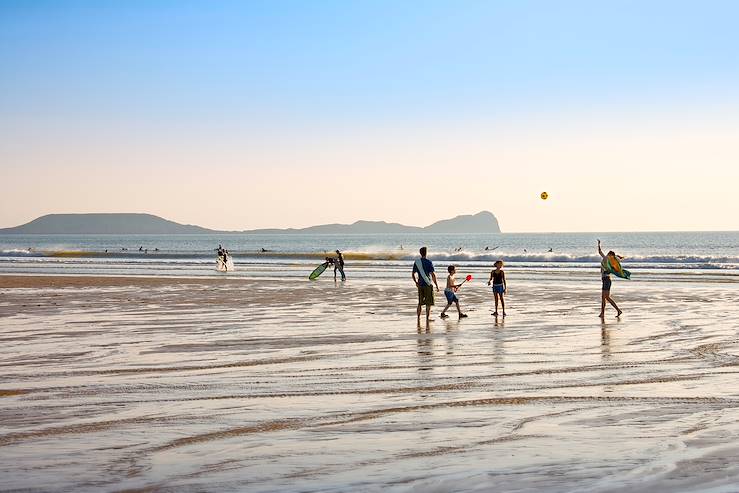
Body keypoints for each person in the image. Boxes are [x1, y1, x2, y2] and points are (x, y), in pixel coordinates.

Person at [412, 246, 439, 328]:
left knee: (420, 303)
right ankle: (427, 318)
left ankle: (418, 318)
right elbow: (433, 275)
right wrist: (436, 285)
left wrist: (416, 282)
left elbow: (413, 274)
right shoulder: (429, 262)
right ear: (426, 253)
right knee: (428, 303)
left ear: (420, 253)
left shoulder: (417, 262)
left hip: (420, 284)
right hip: (427, 284)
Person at [598, 239, 623, 318]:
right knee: (603, 297)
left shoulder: (606, 259)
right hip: (605, 280)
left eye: (608, 254)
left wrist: (599, 245)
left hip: (607, 280)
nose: (607, 255)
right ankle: (602, 313)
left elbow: (600, 252)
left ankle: (618, 310)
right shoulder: (609, 261)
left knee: (607, 297)